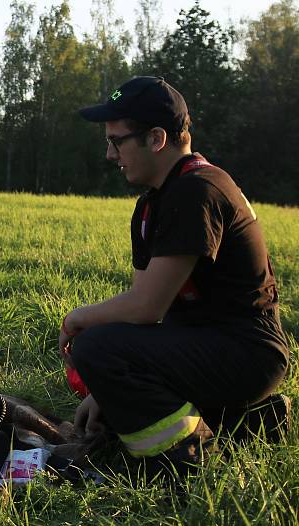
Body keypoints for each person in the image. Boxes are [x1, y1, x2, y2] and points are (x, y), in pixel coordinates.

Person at [61, 76, 290, 474]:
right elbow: (141, 312)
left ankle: (184, 459)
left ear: (155, 138)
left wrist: (76, 319)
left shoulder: (197, 190)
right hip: (210, 342)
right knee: (107, 365)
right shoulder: (154, 204)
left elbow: (146, 308)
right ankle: (251, 423)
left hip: (247, 351)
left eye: (117, 141)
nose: (111, 155)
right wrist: (108, 391)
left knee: (96, 346)